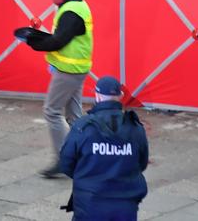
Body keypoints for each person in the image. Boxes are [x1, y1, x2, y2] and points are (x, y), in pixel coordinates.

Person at [23, 0, 93, 178]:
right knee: (73, 116)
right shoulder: (72, 4)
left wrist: (33, 42)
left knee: (52, 111)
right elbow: (62, 38)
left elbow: (59, 40)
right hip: (75, 68)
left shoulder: (71, 11)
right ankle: (85, 156)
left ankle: (65, 160)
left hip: (69, 70)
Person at [59, 76, 149, 221]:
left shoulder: (83, 127)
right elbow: (142, 163)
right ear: (121, 97)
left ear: (97, 96)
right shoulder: (135, 128)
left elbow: (66, 163)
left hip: (90, 202)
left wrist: (85, 177)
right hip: (125, 204)